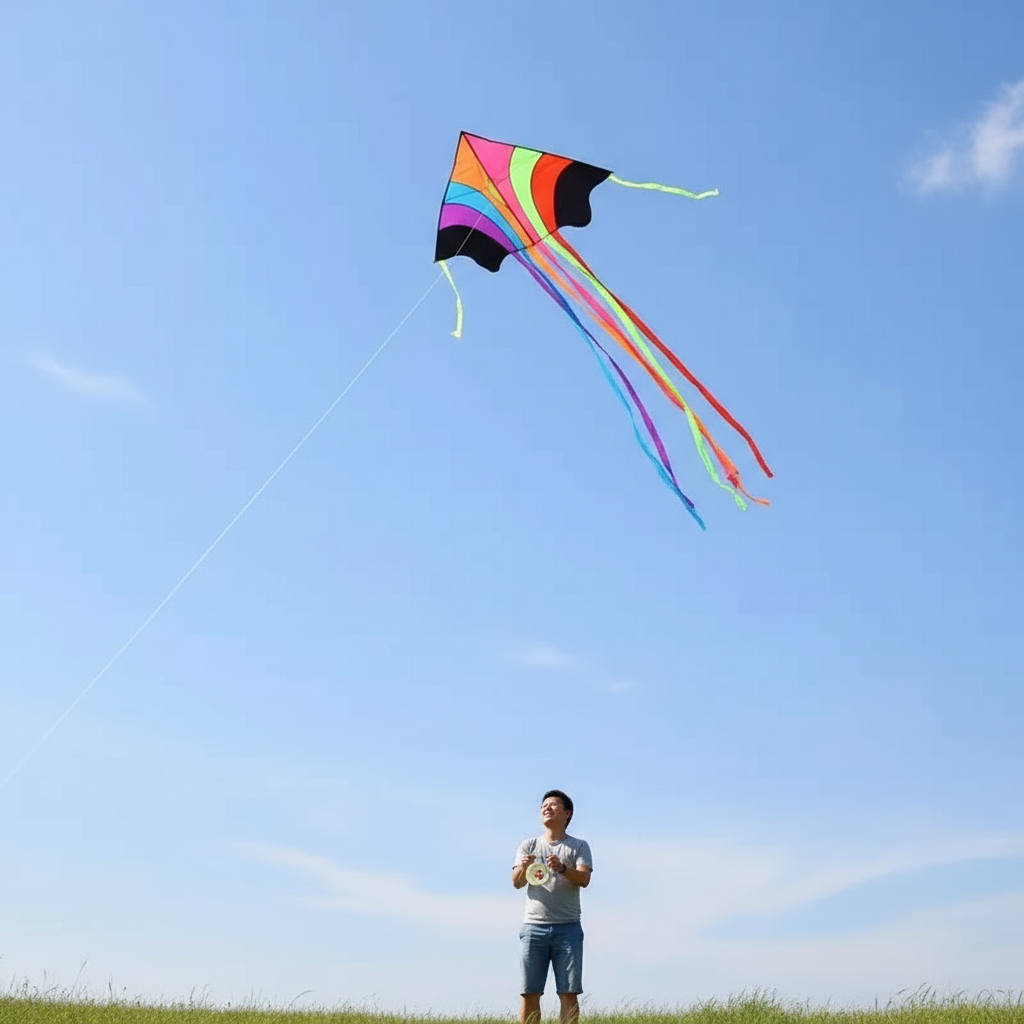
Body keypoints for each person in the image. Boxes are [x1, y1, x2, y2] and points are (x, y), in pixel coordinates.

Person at [512, 790, 593, 1024]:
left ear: (567, 813)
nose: (546, 808)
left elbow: (584, 879)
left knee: (568, 992)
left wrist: (562, 868)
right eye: (543, 805)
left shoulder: (578, 846)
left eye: (553, 805)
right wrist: (523, 867)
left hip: (568, 929)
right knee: (529, 992)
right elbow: (516, 883)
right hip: (533, 927)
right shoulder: (529, 845)